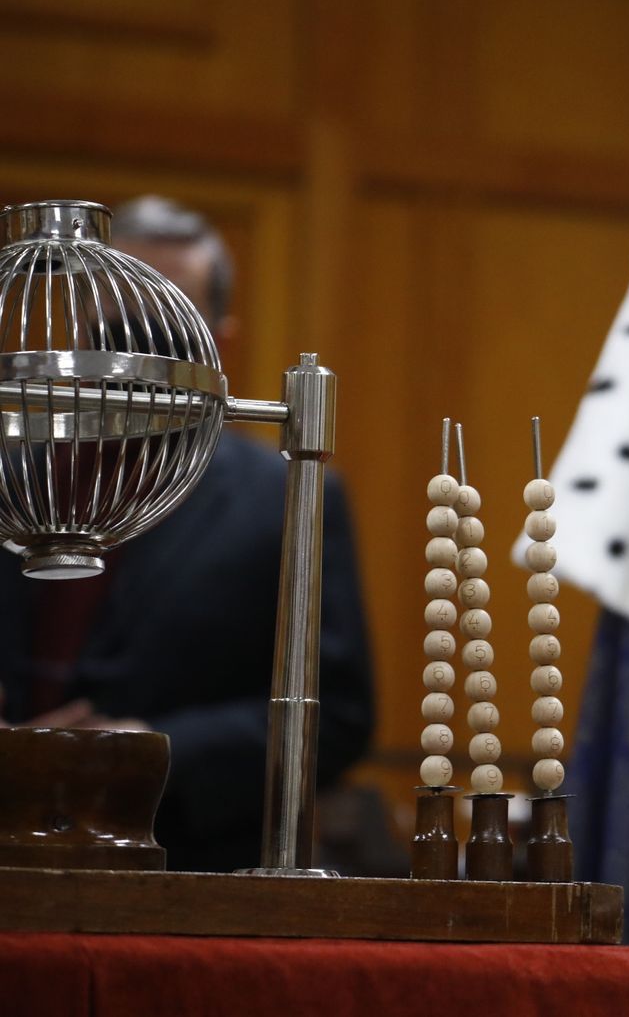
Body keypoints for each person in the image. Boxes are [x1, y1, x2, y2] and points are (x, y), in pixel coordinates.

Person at [0, 196, 374, 872]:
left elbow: (341, 714)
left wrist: (152, 747)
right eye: (117, 324)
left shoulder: (282, 495)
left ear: (218, 341)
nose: (135, 352)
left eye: (164, 323)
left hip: (186, 866)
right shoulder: (13, 467)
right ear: (83, 326)